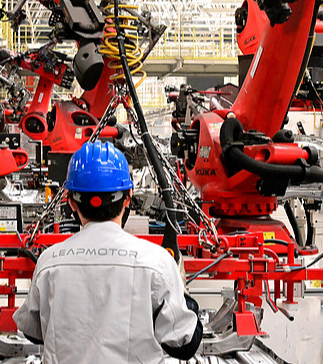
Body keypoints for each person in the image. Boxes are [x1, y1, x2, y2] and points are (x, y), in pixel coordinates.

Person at [14, 141, 203, 363]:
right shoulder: (156, 262)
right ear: (128, 197)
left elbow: (32, 332)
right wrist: (183, 295)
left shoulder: (49, 262)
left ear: (71, 202)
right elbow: (184, 344)